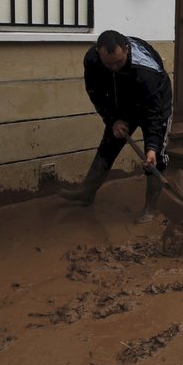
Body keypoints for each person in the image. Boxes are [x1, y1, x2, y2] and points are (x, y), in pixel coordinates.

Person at [59, 30, 172, 223]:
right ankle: (87, 192)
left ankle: (150, 209)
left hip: (153, 103)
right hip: (123, 105)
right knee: (108, 146)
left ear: (127, 50)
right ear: (98, 52)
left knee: (155, 158)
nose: (113, 68)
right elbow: (95, 93)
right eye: (108, 63)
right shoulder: (92, 60)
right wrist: (113, 120)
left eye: (118, 62)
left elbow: (155, 113)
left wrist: (152, 147)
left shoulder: (146, 71)